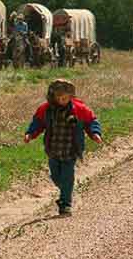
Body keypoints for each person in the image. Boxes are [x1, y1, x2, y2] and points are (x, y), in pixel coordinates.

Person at [24, 78, 103, 216]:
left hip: (70, 149)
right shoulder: (46, 110)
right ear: (52, 97)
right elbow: (37, 123)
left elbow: (91, 121)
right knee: (55, 176)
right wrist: (30, 134)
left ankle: (65, 204)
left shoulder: (79, 109)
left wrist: (95, 133)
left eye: (65, 97)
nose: (62, 100)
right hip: (53, 149)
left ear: (71, 96)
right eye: (59, 97)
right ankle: (67, 190)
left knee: (67, 175)